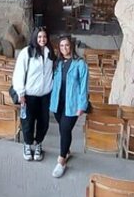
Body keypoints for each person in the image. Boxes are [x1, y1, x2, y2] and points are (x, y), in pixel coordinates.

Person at [12, 27, 55, 161]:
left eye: (44, 37)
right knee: (28, 122)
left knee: (43, 122)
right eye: (39, 37)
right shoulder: (27, 52)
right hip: (29, 95)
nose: (42, 39)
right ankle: (27, 144)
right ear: (35, 38)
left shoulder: (50, 53)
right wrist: (21, 93)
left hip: (45, 95)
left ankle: (38, 144)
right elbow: (19, 73)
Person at [48, 35, 88, 178]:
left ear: (71, 46)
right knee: (63, 129)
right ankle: (67, 150)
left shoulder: (80, 63)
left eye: (67, 45)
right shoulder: (58, 63)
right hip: (58, 103)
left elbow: (84, 86)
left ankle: (61, 160)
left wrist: (82, 105)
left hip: (72, 104)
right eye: (62, 46)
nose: (64, 48)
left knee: (65, 129)